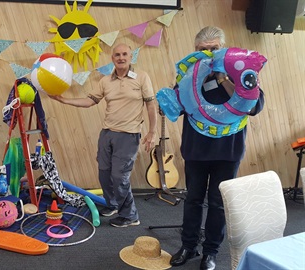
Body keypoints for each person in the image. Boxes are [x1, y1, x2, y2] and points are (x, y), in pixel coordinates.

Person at [169, 26, 265, 270]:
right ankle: (188, 246)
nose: (210, 54)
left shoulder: (241, 72)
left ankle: (210, 252)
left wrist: (223, 78)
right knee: (193, 200)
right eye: (203, 50)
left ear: (223, 49)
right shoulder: (189, 76)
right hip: (196, 149)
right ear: (196, 51)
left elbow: (253, 107)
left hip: (227, 151)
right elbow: (176, 106)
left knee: (217, 203)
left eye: (215, 49)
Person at [49, 43, 157, 228]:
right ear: (112, 58)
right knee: (104, 173)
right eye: (117, 55)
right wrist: (64, 100)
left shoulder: (142, 77)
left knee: (119, 177)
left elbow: (150, 105)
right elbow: (90, 101)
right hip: (107, 133)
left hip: (129, 135)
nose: (121, 57)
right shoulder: (105, 81)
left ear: (131, 57)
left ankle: (130, 216)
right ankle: (113, 204)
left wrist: (152, 132)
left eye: (125, 54)